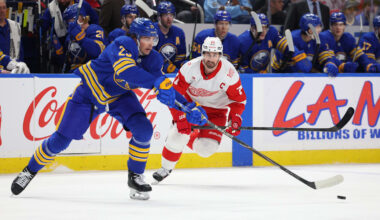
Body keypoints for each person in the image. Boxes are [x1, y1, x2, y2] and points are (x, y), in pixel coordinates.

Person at [10, 18, 207, 200]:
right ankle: (30, 170)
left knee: (144, 129)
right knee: (60, 141)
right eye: (146, 38)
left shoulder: (153, 59)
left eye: (153, 39)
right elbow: (127, 72)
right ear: (135, 38)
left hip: (119, 97)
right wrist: (156, 82)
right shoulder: (122, 43)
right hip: (90, 92)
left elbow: (165, 89)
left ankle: (136, 177)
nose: (150, 43)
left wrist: (189, 107)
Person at [152, 37, 247, 183]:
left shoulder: (230, 73)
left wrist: (235, 118)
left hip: (217, 112)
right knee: (177, 136)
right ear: (202, 53)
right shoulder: (189, 68)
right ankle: (166, 168)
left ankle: (190, 134)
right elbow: (174, 95)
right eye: (208, 54)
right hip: (191, 108)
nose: (211, 58)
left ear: (220, 55)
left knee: (206, 149)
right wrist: (180, 117)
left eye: (215, 55)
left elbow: (238, 100)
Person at [238, 13, 311, 73]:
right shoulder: (242, 41)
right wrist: (257, 75)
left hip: (264, 74)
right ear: (252, 28)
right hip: (247, 76)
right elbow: (243, 68)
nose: (263, 31)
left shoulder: (271, 32)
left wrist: (298, 55)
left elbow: (285, 45)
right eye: (260, 28)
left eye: (265, 27)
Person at [53, 3, 105, 72]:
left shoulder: (94, 29)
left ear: (82, 17)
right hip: (74, 74)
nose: (70, 22)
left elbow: (97, 51)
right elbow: (68, 62)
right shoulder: (70, 36)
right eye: (68, 21)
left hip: (92, 72)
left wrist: (81, 38)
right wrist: (59, 52)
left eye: (72, 19)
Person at [154, 1, 186, 74]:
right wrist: (166, 67)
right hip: (155, 72)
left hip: (173, 74)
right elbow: (149, 59)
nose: (169, 19)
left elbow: (180, 58)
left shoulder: (179, 32)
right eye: (165, 15)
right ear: (159, 16)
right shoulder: (152, 31)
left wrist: (184, 65)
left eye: (171, 15)